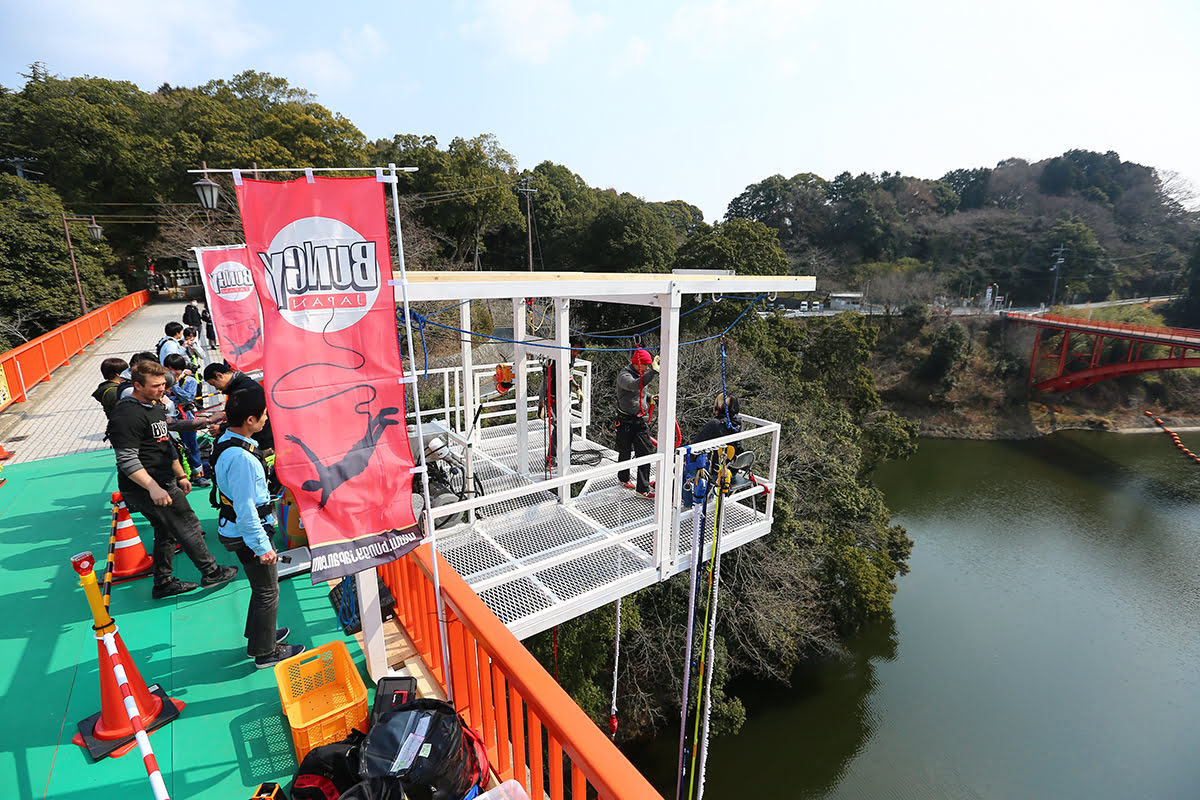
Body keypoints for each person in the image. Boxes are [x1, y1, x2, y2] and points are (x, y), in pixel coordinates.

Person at [106, 359, 238, 599]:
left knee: (166, 531)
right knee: (186, 524)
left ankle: (163, 582)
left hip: (164, 479)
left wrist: (181, 474)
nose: (162, 390)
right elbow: (126, 458)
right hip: (149, 485)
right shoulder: (127, 414)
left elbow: (165, 441)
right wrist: (153, 488)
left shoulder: (153, 406)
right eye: (155, 385)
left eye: (162, 385)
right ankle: (211, 571)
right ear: (137, 385)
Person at [213, 389, 304, 668]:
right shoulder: (242, 459)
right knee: (268, 590)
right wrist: (262, 547)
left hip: (234, 529)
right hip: (248, 533)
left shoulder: (227, 440)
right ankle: (266, 652)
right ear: (250, 419)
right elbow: (245, 508)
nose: (266, 419)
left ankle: (258, 636)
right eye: (264, 415)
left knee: (261, 586)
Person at [614, 347, 660, 499]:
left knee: (645, 451)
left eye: (649, 365)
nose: (647, 368)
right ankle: (623, 477)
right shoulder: (624, 376)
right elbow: (635, 385)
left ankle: (642, 488)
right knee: (625, 450)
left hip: (640, 420)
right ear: (637, 364)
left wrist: (651, 397)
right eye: (646, 365)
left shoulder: (641, 374)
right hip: (625, 419)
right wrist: (652, 372)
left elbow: (642, 393)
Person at [203, 362, 274, 453]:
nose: (216, 388)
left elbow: (244, 418)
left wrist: (222, 428)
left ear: (219, 375)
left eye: (213, 384)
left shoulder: (245, 389)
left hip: (261, 441)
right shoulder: (240, 385)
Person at [538, 335, 586, 470]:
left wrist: (577, 388)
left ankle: (563, 455)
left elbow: (569, 376)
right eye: (574, 350)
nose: (575, 353)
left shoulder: (571, 358)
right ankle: (551, 458)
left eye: (578, 351)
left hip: (563, 398)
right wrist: (541, 404)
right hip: (552, 398)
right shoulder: (555, 360)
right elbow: (545, 382)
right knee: (563, 428)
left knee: (566, 429)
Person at [164, 353, 211, 487]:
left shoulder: (189, 380)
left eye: (175, 369)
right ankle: (177, 476)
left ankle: (198, 475)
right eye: (169, 369)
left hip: (186, 416)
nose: (172, 372)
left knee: (191, 446)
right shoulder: (161, 380)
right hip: (168, 417)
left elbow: (188, 398)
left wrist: (174, 386)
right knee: (170, 447)